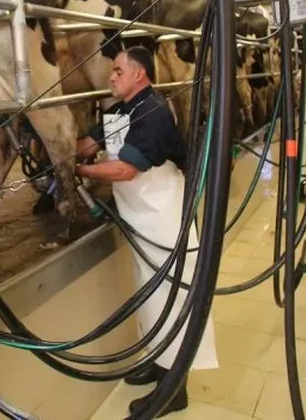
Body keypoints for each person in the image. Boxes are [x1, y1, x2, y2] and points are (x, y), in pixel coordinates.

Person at [74, 46, 218, 417]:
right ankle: (158, 366)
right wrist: (54, 141)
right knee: (151, 298)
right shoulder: (121, 110)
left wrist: (82, 172)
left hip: (164, 216)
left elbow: (125, 170)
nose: (111, 77)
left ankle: (174, 391)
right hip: (141, 218)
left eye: (118, 71)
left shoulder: (153, 110)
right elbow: (88, 143)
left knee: (171, 300)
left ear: (139, 74)